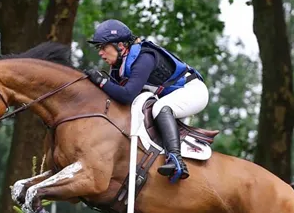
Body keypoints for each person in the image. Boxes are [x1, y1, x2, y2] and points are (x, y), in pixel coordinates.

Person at [83, 19, 209, 182]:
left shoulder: (144, 57)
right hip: (175, 95)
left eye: (103, 47)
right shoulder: (119, 66)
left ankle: (176, 160)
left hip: (193, 91)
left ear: (120, 45)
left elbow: (127, 95)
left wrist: (101, 81)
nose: (100, 53)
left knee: (160, 107)